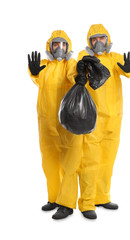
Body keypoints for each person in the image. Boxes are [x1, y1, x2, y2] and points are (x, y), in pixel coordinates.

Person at [76, 24, 130, 211]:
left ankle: (102, 197)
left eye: (101, 38)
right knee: (90, 161)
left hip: (114, 118)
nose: (98, 42)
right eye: (93, 40)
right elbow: (76, 70)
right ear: (89, 42)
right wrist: (80, 70)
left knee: (107, 161)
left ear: (107, 39)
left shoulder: (113, 58)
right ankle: (87, 203)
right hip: (93, 119)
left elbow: (127, 71)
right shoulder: (84, 57)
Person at [28, 30, 76, 211]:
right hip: (46, 123)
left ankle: (67, 204)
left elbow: (73, 76)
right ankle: (54, 199)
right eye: (55, 44)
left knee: (67, 164)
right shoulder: (43, 65)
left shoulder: (69, 64)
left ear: (68, 47)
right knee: (49, 164)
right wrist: (33, 72)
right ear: (49, 46)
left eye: (63, 45)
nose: (59, 48)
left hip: (65, 122)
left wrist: (78, 75)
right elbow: (36, 77)